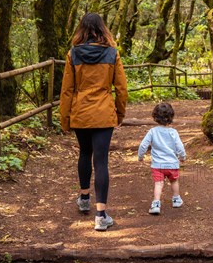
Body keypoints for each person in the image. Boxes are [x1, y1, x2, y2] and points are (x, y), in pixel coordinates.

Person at [59, 12, 128, 231]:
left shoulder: (73, 55)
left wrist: (65, 119)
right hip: (104, 113)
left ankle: (84, 199)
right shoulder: (112, 54)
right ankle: (101, 215)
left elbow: (67, 91)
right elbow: (122, 89)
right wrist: (119, 113)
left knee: (84, 153)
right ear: (102, 29)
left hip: (81, 112)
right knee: (101, 161)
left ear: (82, 29)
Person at [138, 102, 186, 215]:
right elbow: (180, 146)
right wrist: (182, 157)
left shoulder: (152, 132)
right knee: (174, 181)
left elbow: (143, 145)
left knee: (158, 183)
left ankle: (156, 204)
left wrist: (140, 156)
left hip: (158, 165)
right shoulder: (173, 132)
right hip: (172, 164)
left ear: (155, 117)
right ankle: (176, 199)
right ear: (171, 117)